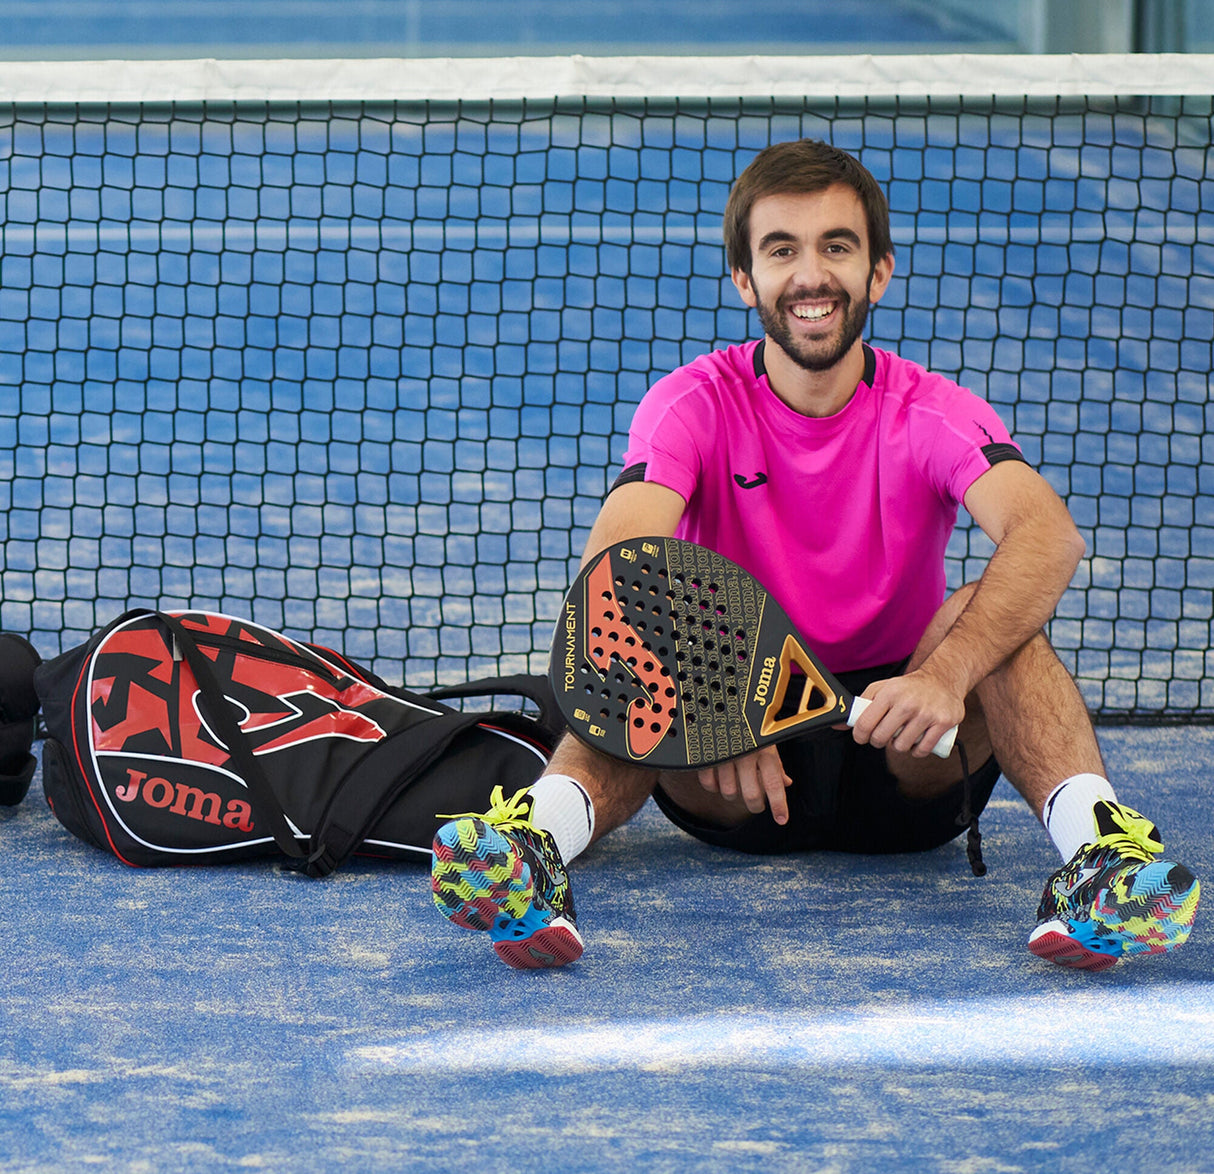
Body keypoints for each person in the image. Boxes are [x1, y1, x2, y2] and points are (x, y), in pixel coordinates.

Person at [430, 138, 1200, 972]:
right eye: (781, 249)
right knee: (632, 646)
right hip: (736, 753)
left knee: (993, 616)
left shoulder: (932, 411)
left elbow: (1049, 534)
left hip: (907, 746)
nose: (811, 275)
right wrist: (724, 702)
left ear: (878, 273)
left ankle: (1104, 862)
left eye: (837, 246)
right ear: (745, 279)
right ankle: (531, 852)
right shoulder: (691, 404)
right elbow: (621, 557)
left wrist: (943, 677)